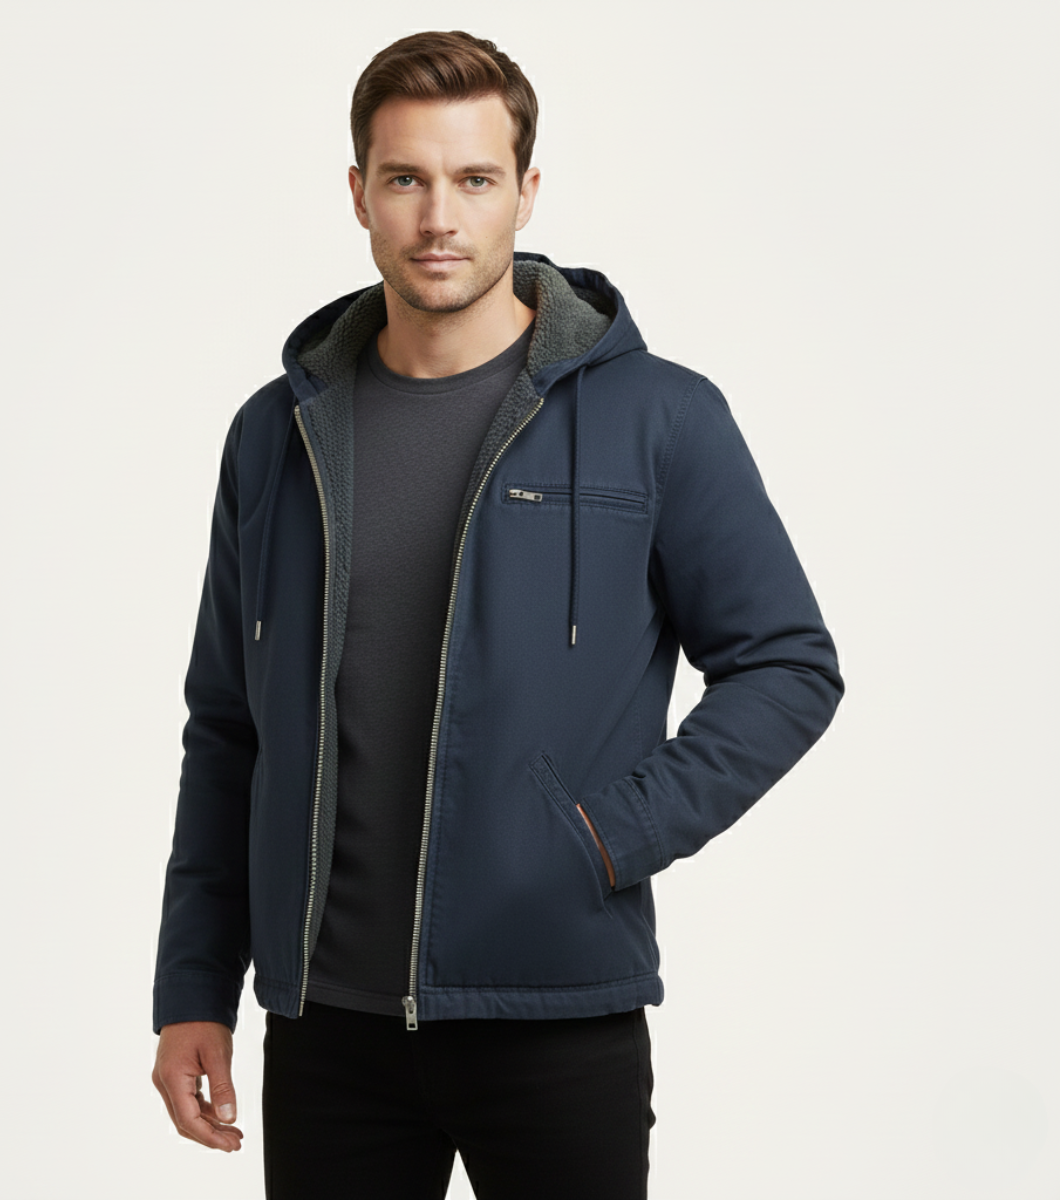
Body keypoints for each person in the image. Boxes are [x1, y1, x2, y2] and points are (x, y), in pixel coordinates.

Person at [151, 29, 844, 1199]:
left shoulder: (659, 419)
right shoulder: (277, 434)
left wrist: (607, 836)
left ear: (525, 192)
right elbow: (227, 729)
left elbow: (788, 666)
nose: (439, 218)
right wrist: (192, 990)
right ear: (358, 193)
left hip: (556, 1017)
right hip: (327, 1032)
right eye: (406, 179)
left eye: (474, 179)